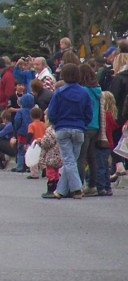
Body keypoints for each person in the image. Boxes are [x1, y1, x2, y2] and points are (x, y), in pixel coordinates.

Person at [44, 62, 93, 199]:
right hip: (79, 128)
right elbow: (89, 113)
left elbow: (52, 113)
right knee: (72, 159)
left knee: (68, 160)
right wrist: (83, 123)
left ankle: (77, 189)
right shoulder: (84, 92)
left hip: (62, 128)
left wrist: (55, 123)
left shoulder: (59, 92)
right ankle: (61, 190)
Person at [78, 65, 102, 196]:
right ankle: (93, 185)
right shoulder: (97, 89)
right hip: (95, 125)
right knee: (92, 157)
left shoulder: (83, 90)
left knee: (81, 157)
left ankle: (79, 185)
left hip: (85, 125)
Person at [39, 128, 63, 197]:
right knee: (56, 173)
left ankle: (51, 189)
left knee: (50, 173)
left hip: (51, 157)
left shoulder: (50, 131)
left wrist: (40, 142)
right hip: (59, 156)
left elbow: (45, 143)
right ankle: (57, 188)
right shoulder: (60, 130)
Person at [26, 107, 47, 179]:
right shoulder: (43, 124)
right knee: (42, 157)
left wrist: (27, 143)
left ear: (31, 116)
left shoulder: (31, 125)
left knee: (33, 158)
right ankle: (44, 168)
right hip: (43, 142)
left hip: (34, 143)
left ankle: (34, 174)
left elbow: (30, 134)